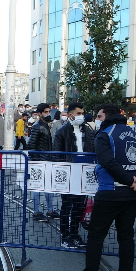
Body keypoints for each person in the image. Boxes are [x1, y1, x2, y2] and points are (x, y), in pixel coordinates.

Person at [68, 103, 136, 271]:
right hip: (132, 195)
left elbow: (107, 162)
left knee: (96, 235)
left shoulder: (105, 135)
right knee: (125, 236)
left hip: (110, 192)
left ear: (107, 116)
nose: (97, 120)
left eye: (99, 116)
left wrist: (130, 180)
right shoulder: (135, 135)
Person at [52, 103, 94, 249]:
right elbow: (57, 154)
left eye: (82, 113)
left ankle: (75, 234)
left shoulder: (88, 131)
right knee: (67, 205)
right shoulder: (62, 132)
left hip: (83, 173)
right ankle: (65, 235)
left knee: (79, 206)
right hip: (69, 173)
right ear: (70, 115)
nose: (81, 115)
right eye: (78, 113)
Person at [29, 103, 57, 221]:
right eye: (45, 112)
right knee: (38, 187)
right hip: (40, 161)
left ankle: (50, 210)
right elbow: (31, 145)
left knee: (48, 186)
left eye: (49, 112)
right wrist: (35, 161)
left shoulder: (46, 125)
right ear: (39, 114)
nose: (48, 114)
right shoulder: (37, 126)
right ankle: (36, 212)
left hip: (47, 160)